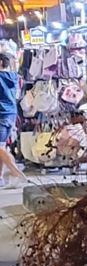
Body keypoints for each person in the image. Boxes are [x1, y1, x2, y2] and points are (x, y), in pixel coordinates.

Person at [0, 53, 25, 186]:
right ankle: (0, 178)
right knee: (2, 147)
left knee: (0, 148)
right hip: (11, 114)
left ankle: (16, 171)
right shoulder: (14, 77)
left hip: (1, 114)